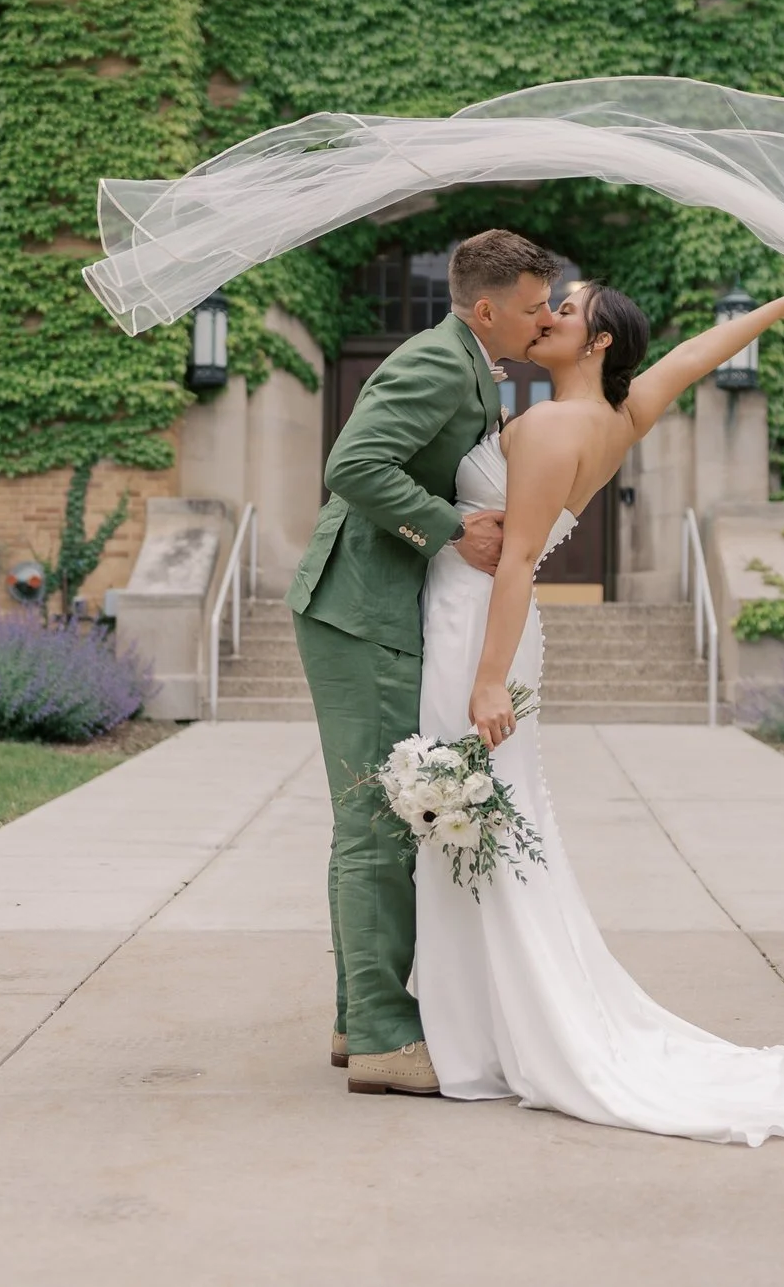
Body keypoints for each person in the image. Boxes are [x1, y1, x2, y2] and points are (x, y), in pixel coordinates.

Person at [411, 280, 784, 1144]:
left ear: (600, 342)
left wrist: (488, 681)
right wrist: (777, 308)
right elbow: (690, 357)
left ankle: (483, 1034)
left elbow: (520, 559)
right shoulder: (619, 415)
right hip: (498, 630)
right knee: (497, 814)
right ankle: (481, 1014)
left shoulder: (547, 427)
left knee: (473, 815)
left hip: (478, 633)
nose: (548, 316)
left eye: (565, 310)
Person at [286, 229, 561, 1098]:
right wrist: (448, 525)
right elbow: (351, 464)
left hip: (389, 607)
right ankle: (379, 1034)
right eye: (531, 306)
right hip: (359, 607)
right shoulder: (440, 362)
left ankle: (354, 1015)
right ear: (486, 309)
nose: (544, 317)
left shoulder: (474, 365)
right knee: (375, 818)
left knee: (378, 813)